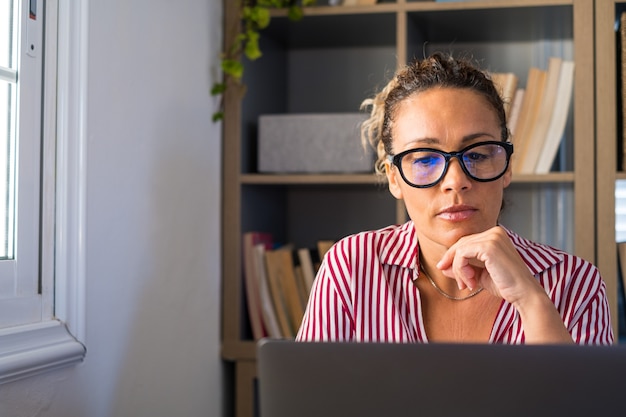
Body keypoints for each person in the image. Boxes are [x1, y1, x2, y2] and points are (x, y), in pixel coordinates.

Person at [296, 52, 614, 344]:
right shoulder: (352, 267)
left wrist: (532, 301)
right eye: (424, 159)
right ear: (394, 177)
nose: (456, 182)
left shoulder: (575, 283)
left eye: (476, 155)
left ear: (506, 167)